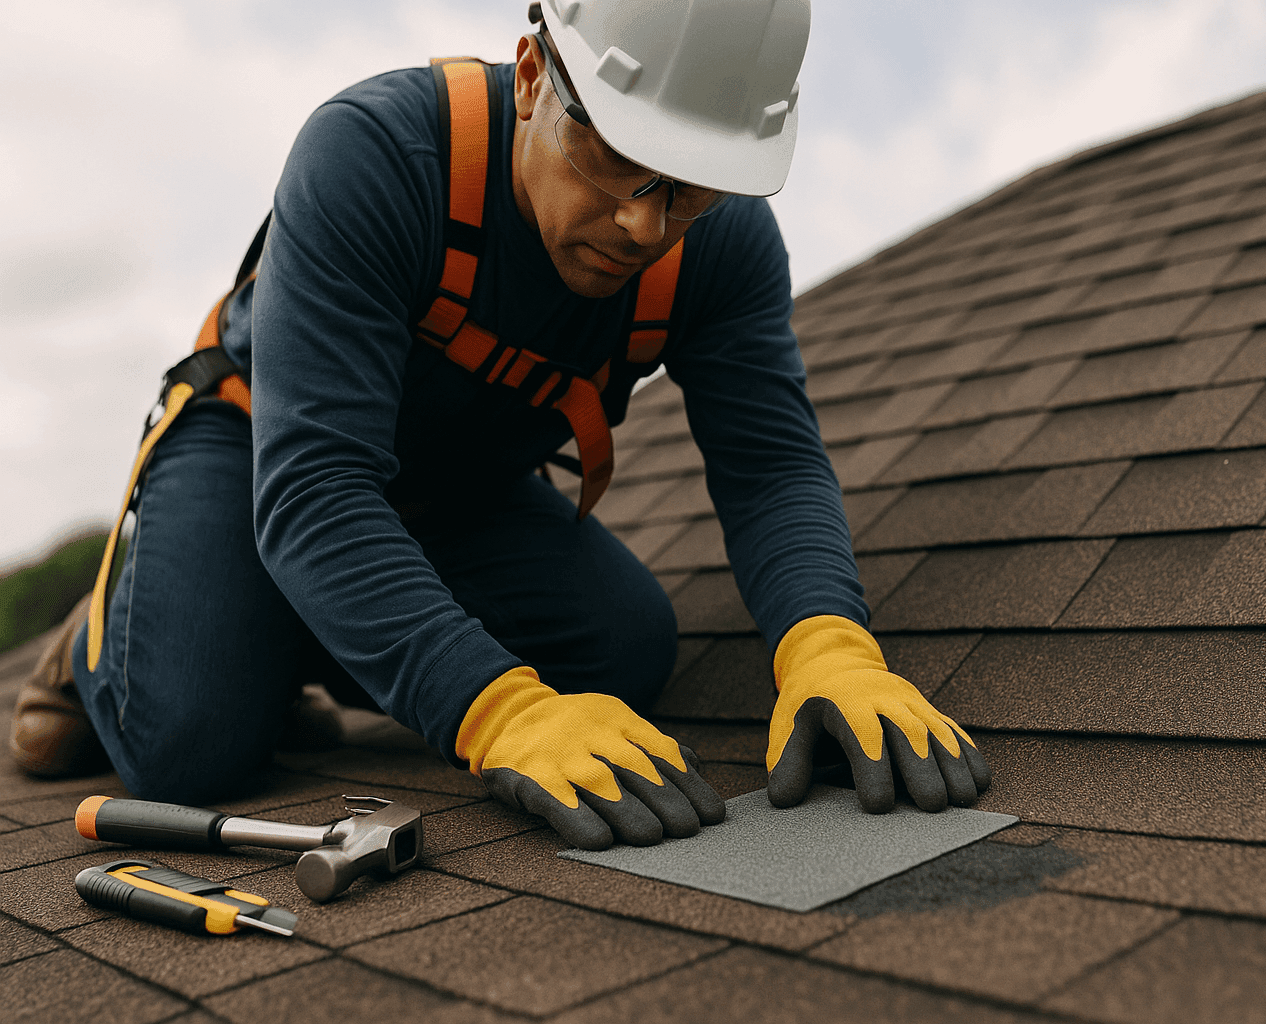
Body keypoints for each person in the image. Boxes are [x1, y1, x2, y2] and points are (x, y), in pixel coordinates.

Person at [10, 0, 990, 851]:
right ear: (534, 78)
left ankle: (284, 626)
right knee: (189, 737)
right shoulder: (375, 157)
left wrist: (829, 646)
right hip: (268, 450)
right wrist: (498, 712)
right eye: (619, 159)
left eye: (688, 184)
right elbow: (317, 490)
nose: (645, 226)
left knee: (626, 651)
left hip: (456, 486)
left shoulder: (720, 246)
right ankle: (118, 630)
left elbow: (771, 465)